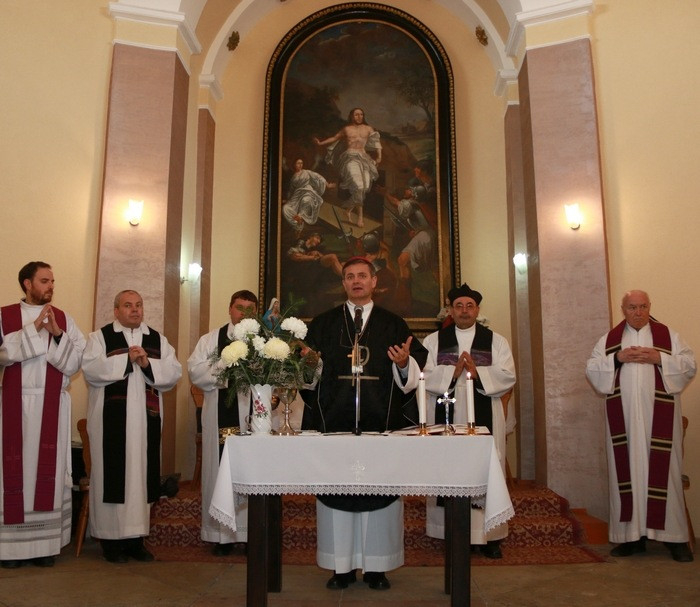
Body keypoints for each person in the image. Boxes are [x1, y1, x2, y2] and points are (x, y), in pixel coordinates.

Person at [300, 257, 427, 591]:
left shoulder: (393, 324)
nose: (356, 281)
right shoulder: (323, 324)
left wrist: (404, 364)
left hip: (379, 423)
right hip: (335, 423)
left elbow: (410, 375)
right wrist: (308, 365)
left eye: (362, 276)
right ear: (343, 283)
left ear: (374, 281)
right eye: (349, 276)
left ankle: (377, 567)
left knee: (379, 493)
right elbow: (308, 378)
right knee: (337, 493)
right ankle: (340, 567)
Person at [586, 290, 696, 562]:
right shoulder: (609, 340)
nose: (638, 312)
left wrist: (661, 359)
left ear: (649, 307)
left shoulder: (668, 337)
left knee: (666, 475)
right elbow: (592, 369)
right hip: (623, 423)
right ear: (623, 309)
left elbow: (689, 365)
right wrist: (617, 359)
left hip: (660, 423)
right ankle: (631, 538)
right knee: (627, 476)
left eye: (643, 306)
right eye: (632, 307)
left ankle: (675, 539)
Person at [82, 290, 182, 563]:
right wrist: (126, 358)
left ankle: (136, 541)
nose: (135, 310)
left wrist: (146, 362)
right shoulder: (99, 337)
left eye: (138, 305)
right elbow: (90, 369)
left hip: (145, 423)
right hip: (110, 423)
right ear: (116, 310)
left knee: (141, 477)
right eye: (128, 305)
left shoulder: (157, 339)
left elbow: (173, 372)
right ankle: (111, 542)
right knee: (112, 475)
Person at [0, 262, 85, 569]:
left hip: (51, 407)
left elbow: (76, 362)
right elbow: (2, 353)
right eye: (44, 280)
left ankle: (44, 547)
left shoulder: (63, 318)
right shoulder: (5, 316)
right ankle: (11, 551)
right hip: (13, 406)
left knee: (46, 474)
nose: (50, 286)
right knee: (13, 472)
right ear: (27, 283)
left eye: (52, 281)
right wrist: (33, 329)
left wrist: (57, 334)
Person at [421, 283, 516, 558]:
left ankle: (490, 535)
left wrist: (478, 371)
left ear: (477, 310)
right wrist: (452, 372)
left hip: (485, 411)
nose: (464, 311)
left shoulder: (496, 341)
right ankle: (449, 533)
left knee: (487, 468)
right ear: (450, 310)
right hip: (446, 411)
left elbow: (508, 375)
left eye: (469, 306)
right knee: (448, 466)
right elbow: (423, 374)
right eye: (459, 306)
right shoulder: (434, 341)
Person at [187, 289, 259, 556]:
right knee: (219, 472)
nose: (243, 314)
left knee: (251, 473)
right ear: (230, 309)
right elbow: (195, 372)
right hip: (220, 416)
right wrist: (227, 365)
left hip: (253, 420)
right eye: (240, 308)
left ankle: (250, 534)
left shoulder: (262, 341)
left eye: (250, 310)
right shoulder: (210, 340)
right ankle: (221, 536)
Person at [313, 107, 382, 228]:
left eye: (361, 114)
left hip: (364, 158)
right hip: (350, 158)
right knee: (359, 186)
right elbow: (334, 138)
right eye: (356, 115)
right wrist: (320, 143)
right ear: (351, 116)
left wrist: (379, 157)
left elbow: (377, 143)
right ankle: (360, 217)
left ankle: (348, 210)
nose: (359, 117)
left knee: (364, 187)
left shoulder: (368, 129)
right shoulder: (347, 129)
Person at [281, 158, 334, 233]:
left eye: (301, 163)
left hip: (308, 192)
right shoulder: (293, 178)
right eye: (298, 163)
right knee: (285, 208)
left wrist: (327, 184)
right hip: (296, 195)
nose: (300, 165)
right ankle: (298, 224)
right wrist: (287, 200)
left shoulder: (306, 172)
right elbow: (291, 191)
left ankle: (300, 216)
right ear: (294, 165)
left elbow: (318, 177)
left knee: (306, 200)